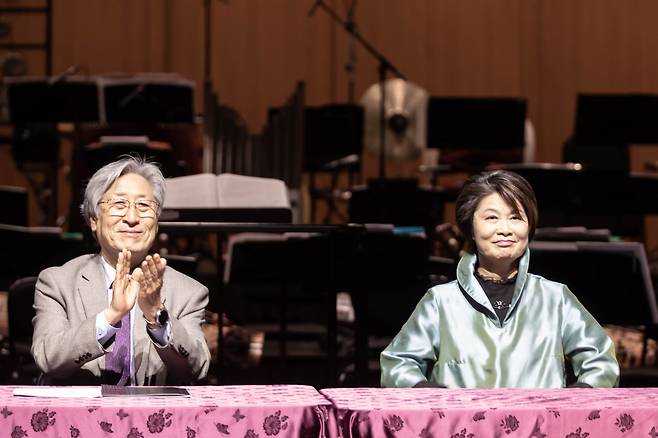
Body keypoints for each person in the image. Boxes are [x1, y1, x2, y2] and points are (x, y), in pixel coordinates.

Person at [380, 170, 619, 388]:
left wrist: (569, 405)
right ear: (470, 228)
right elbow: (397, 365)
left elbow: (602, 363)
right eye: (492, 218)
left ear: (529, 226)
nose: (505, 229)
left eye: (515, 217)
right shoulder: (440, 301)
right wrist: (438, 402)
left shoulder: (555, 298)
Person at [31, 156, 210, 385]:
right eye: (119, 205)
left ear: (156, 220)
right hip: (79, 416)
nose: (133, 218)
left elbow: (197, 368)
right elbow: (48, 359)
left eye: (144, 206)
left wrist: (157, 315)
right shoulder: (57, 283)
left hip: (151, 416)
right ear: (94, 219)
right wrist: (110, 317)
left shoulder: (189, 292)